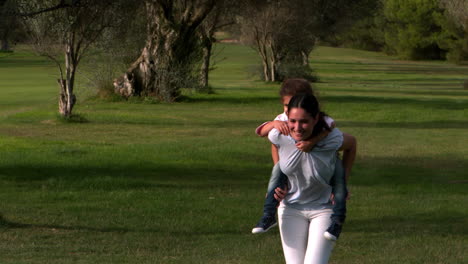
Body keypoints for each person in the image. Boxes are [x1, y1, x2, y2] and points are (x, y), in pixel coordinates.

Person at [252, 79, 350, 241]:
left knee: (339, 185)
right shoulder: (281, 120)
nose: (292, 109)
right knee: (275, 179)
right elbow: (267, 137)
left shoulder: (323, 122)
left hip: (324, 188)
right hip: (291, 203)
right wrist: (274, 124)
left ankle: (338, 219)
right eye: (287, 105)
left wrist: (312, 141)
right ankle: (268, 215)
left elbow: (331, 128)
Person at [270, 93, 356, 263]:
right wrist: (281, 181)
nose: (297, 127)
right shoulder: (281, 135)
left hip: (324, 209)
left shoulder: (331, 138)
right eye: (292, 121)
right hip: (290, 209)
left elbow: (352, 144)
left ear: (316, 119)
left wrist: (342, 184)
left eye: (304, 121)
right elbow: (273, 142)